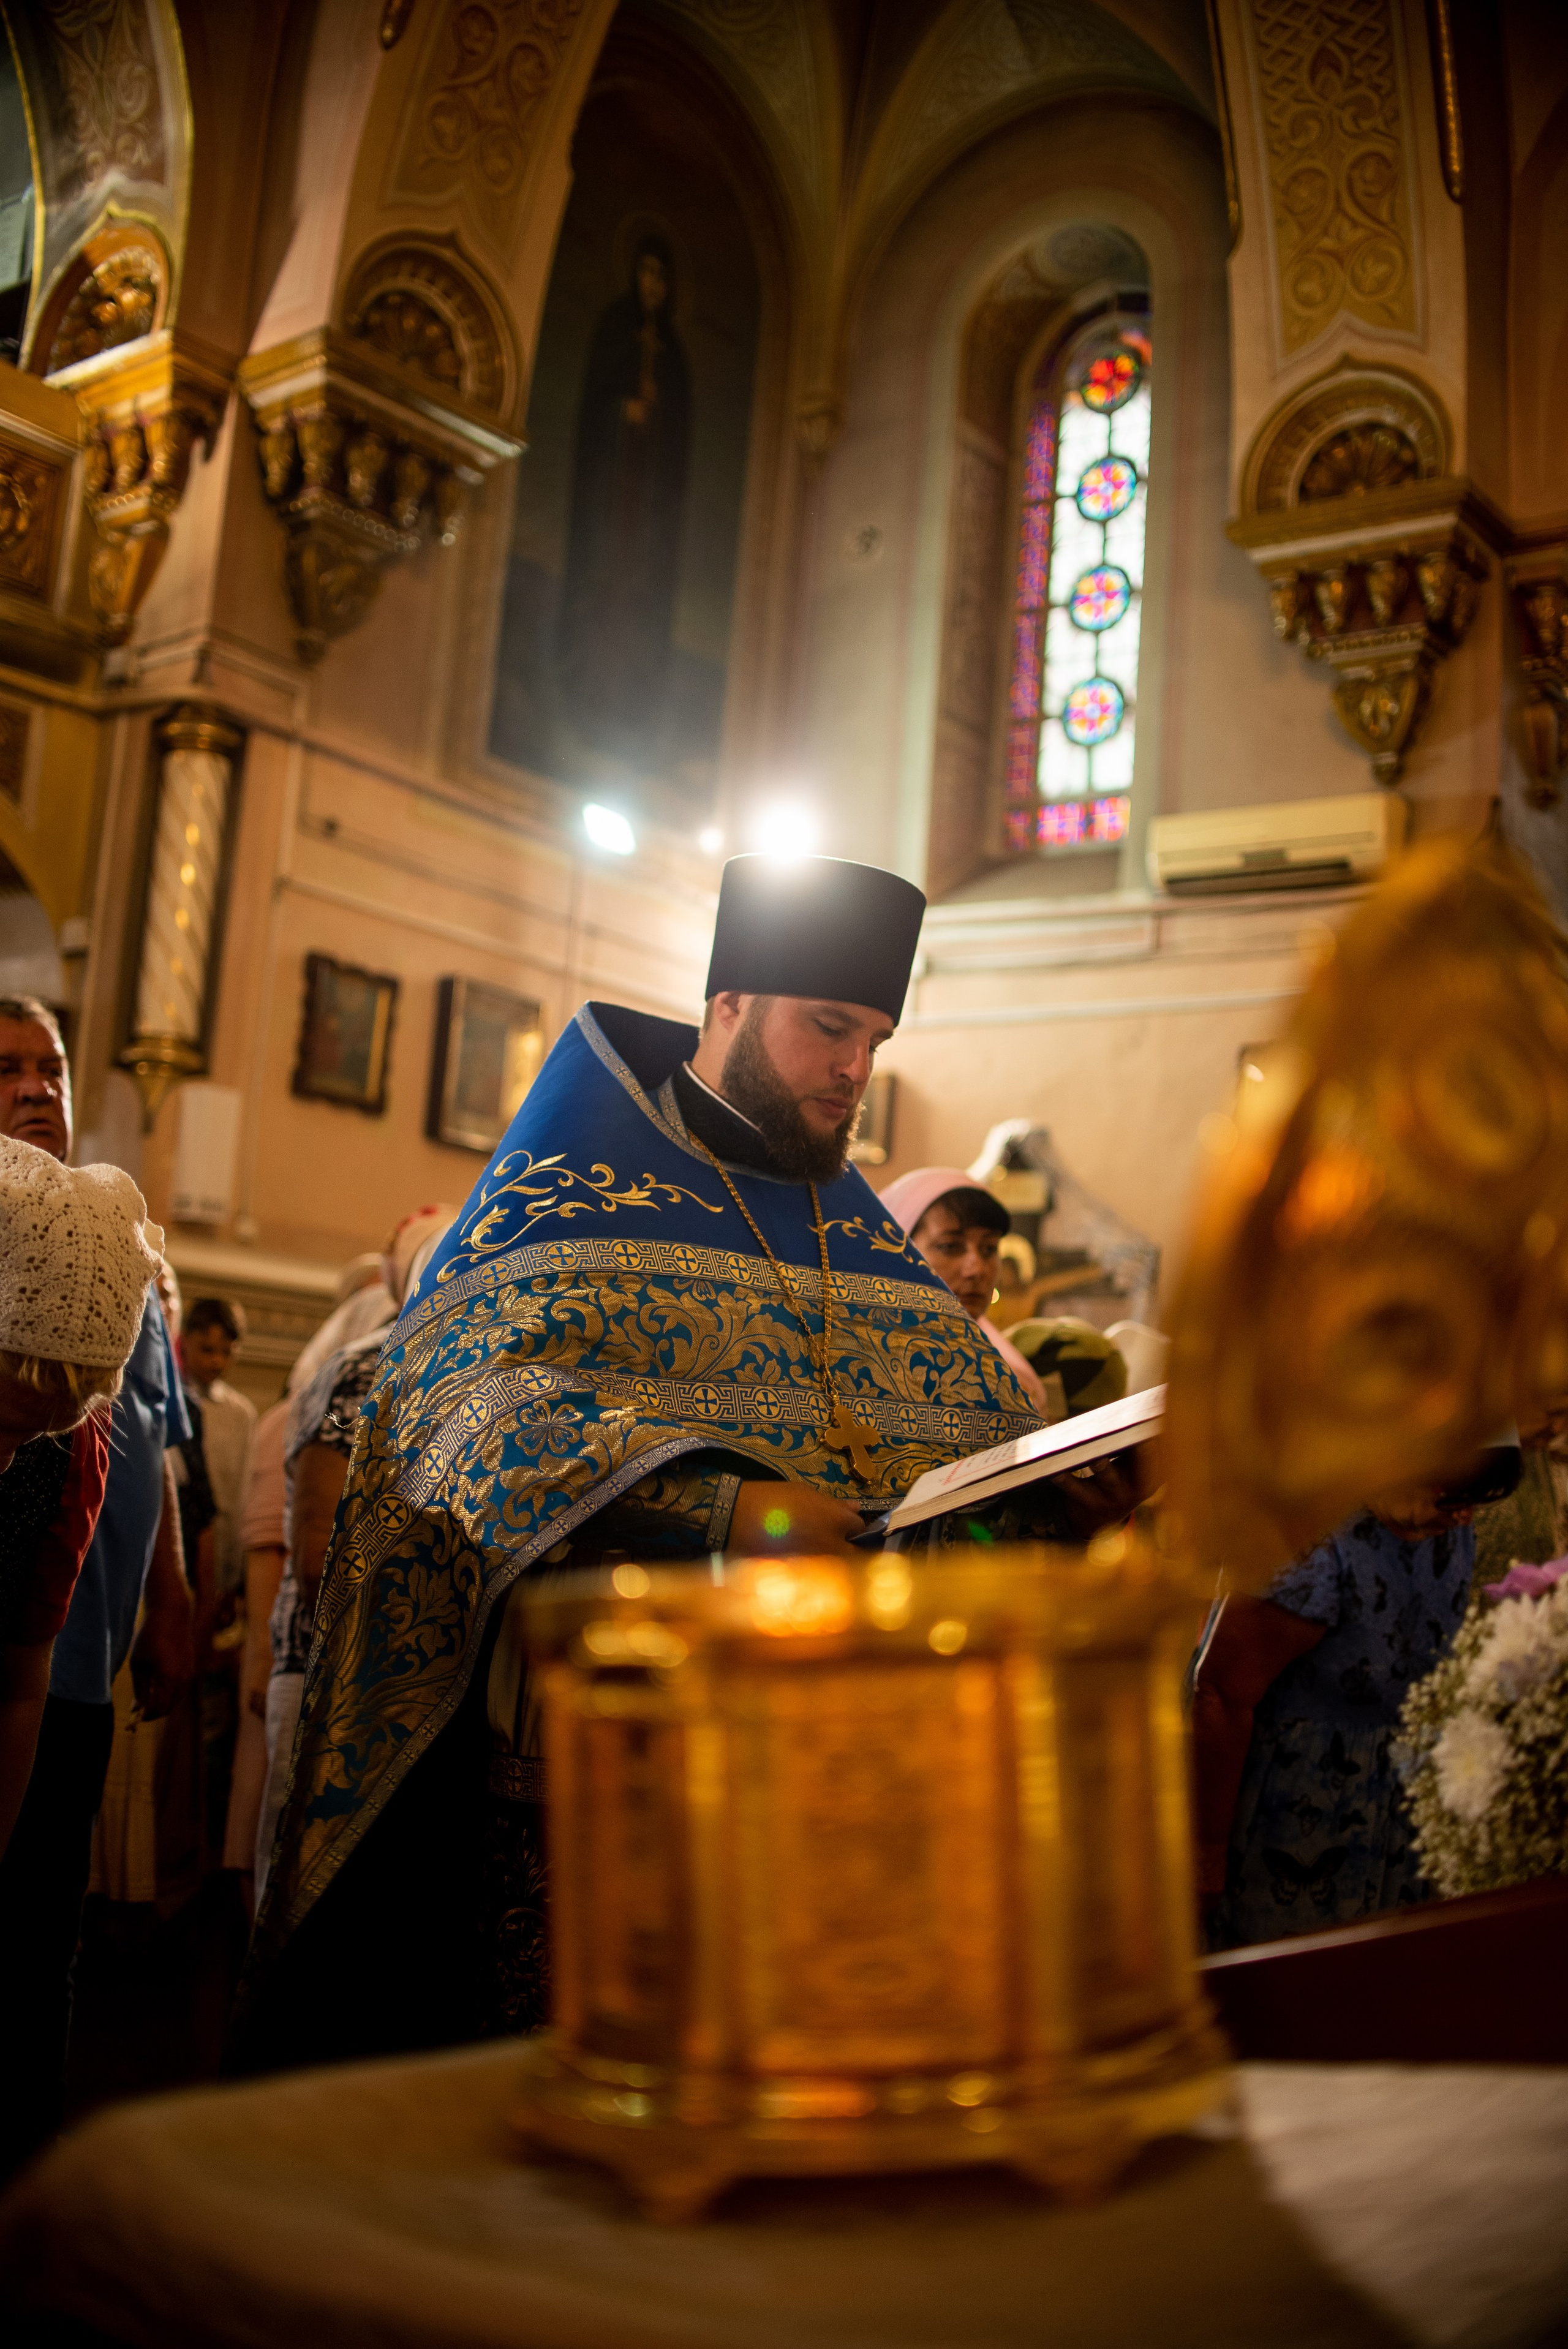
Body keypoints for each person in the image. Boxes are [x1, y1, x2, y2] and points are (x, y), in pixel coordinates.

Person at [236, 854, 1047, 2070]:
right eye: (829, 1027)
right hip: (593, 1769)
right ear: (729, 1005)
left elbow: (968, 1431)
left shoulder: (851, 1227)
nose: (853, 1071)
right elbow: (453, 1409)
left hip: (816, 1779)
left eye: (874, 1041)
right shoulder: (567, 1186)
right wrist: (722, 1508)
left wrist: (1056, 1490)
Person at [0, 997, 193, 2173]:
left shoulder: (120, 1250)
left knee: (37, 1924)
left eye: (53, 1067)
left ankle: (27, 2169)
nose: (38, 1088)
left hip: (70, 1652)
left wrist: (167, 1596)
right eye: (8, 1068)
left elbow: (150, 1439)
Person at [1193, 1441, 1521, 1950]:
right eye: (1453, 1496)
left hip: (1401, 1814)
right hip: (1297, 1821)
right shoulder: (1310, 1538)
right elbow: (1219, 1696)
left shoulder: (1443, 1523)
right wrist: (1206, 1852)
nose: (1464, 1516)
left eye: (1478, 1500)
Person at [0, 1132, 162, 1860]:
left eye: (38, 1434)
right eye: (4, 1424)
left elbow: (17, 1683)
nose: (10, 1459)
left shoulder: (72, 1451)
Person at [880, 1166, 1054, 1417]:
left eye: (989, 1248)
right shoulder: (860, 1366)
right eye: (950, 1246)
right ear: (895, 1251)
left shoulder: (1013, 1379)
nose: (977, 1269)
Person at [178, 1298, 256, 1601]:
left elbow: (243, 1495)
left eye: (226, 1352)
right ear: (185, 1341)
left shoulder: (241, 1414)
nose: (216, 1362)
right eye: (207, 1350)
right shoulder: (170, 1403)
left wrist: (235, 1577)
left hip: (223, 1542)